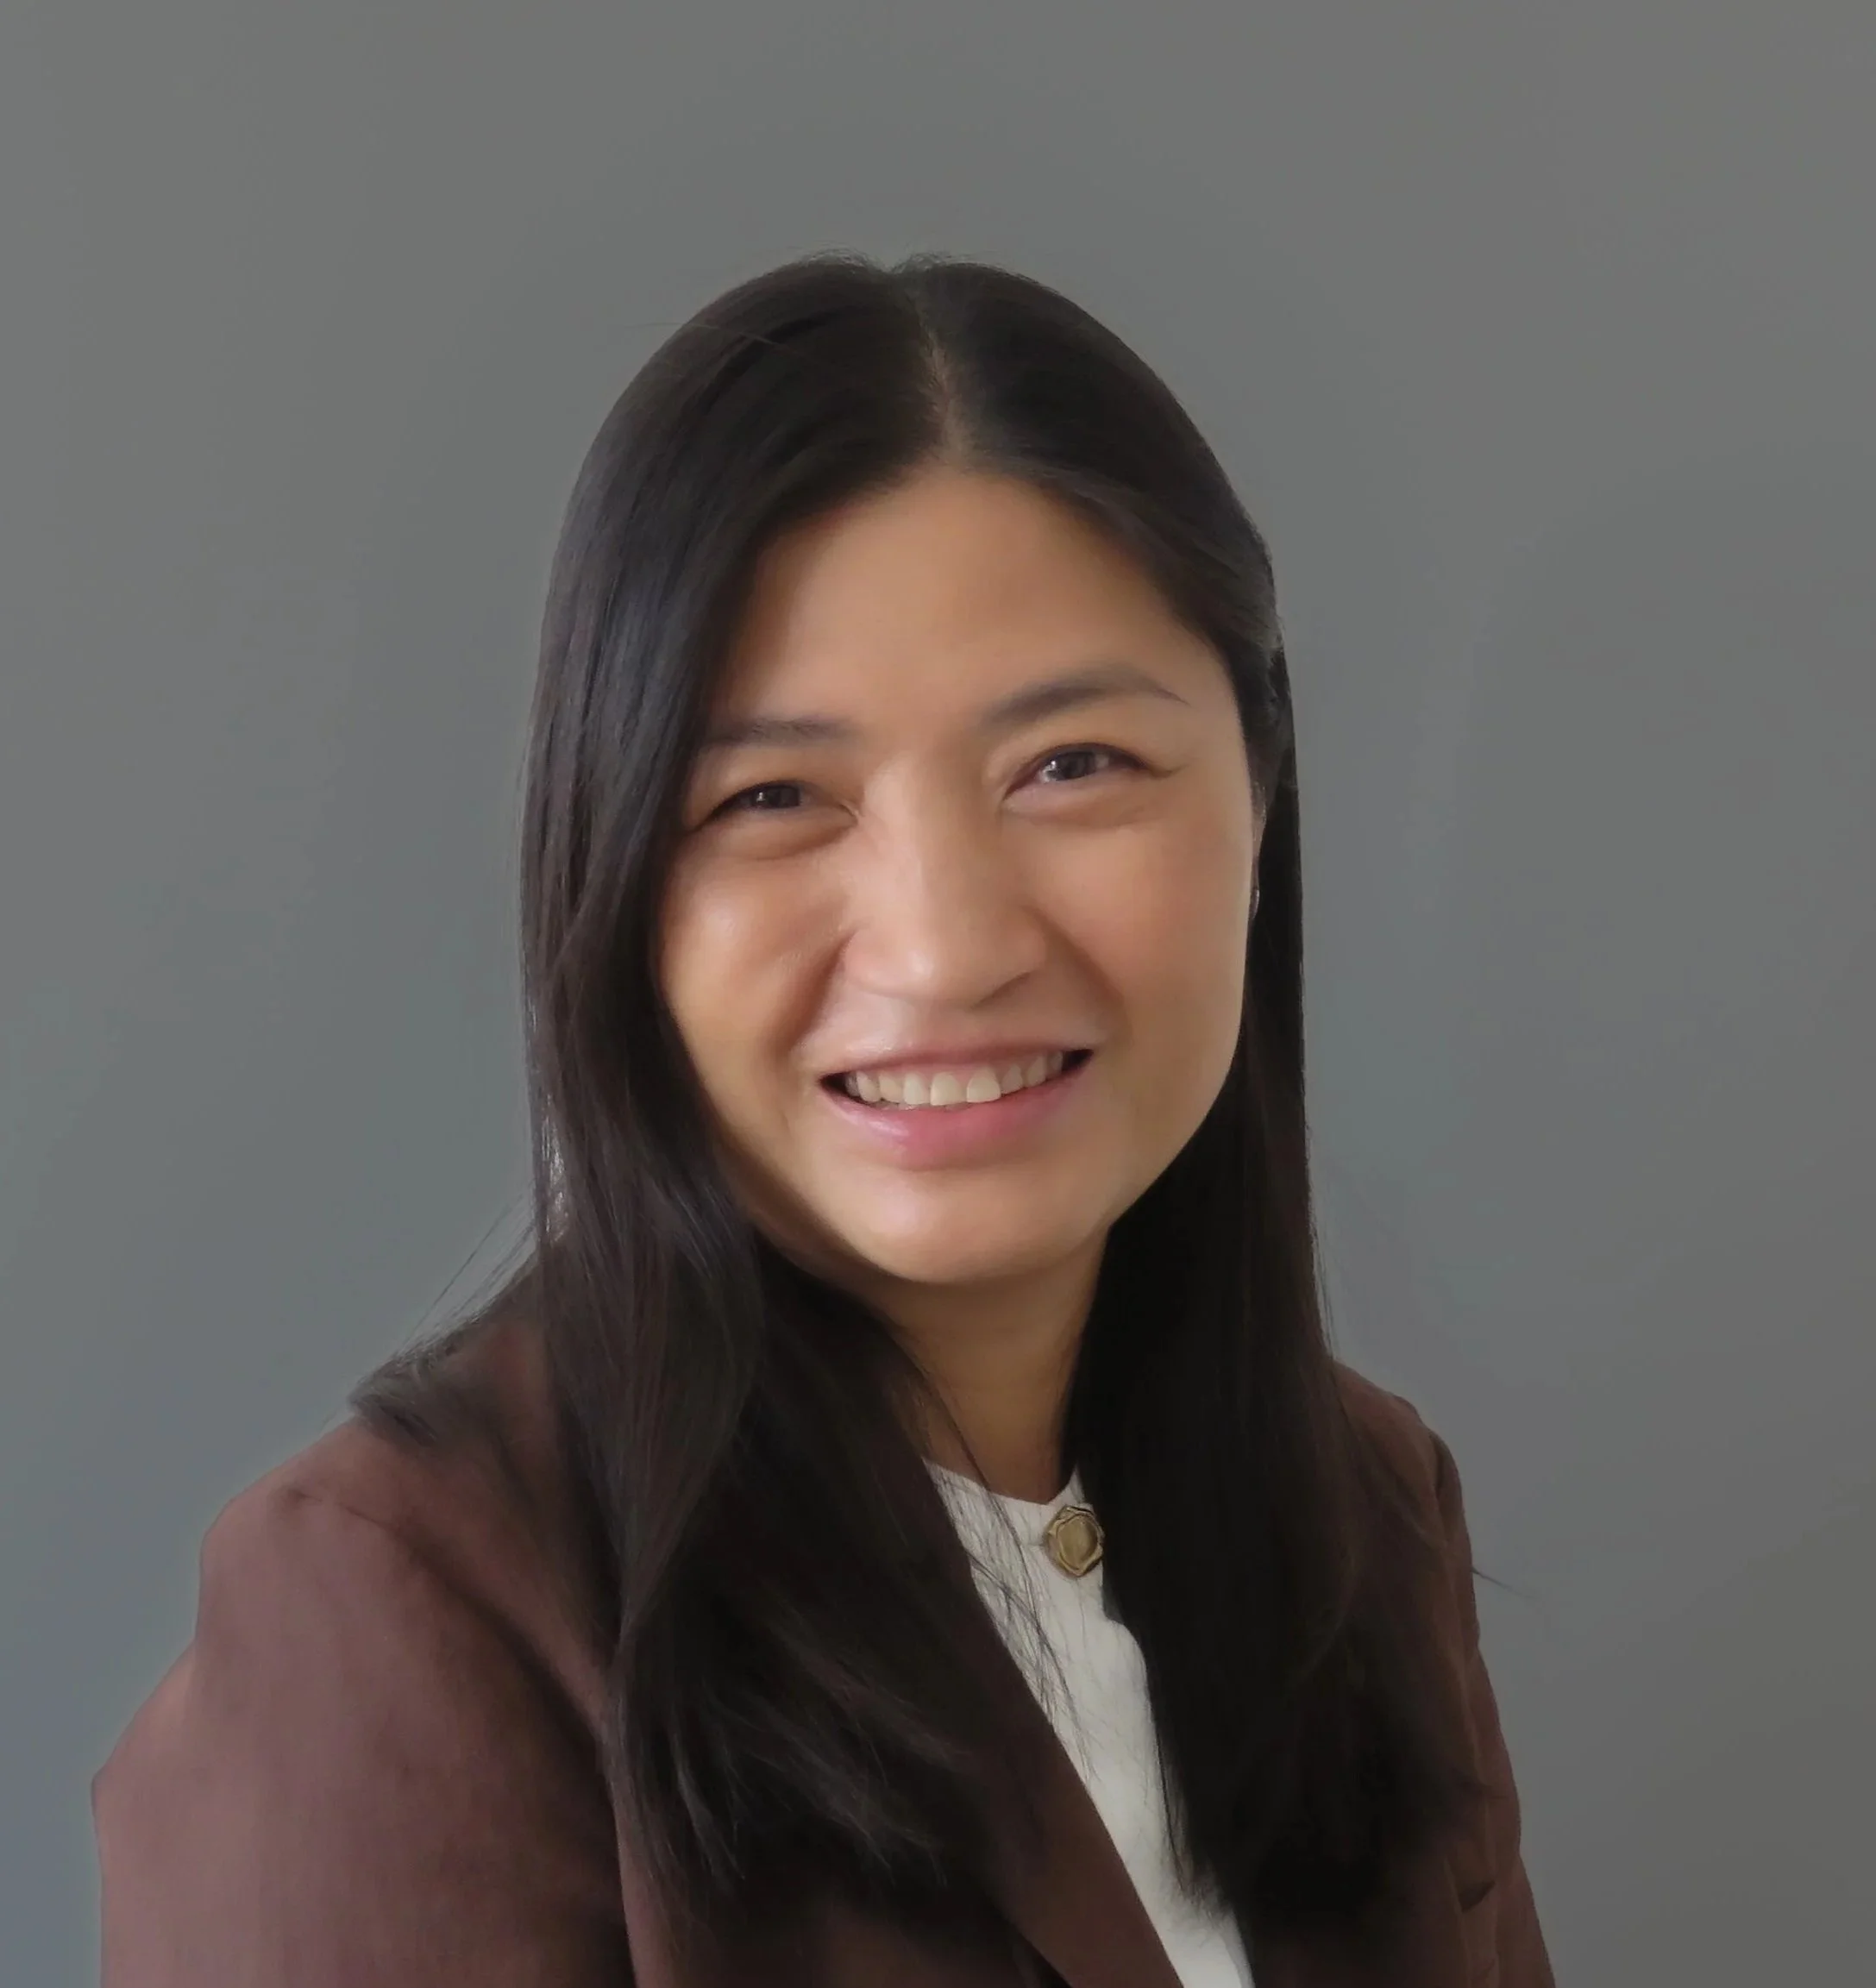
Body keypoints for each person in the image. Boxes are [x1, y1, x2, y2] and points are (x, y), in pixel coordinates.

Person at [92, 251, 1554, 1987]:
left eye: (1072, 765)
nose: (945, 946)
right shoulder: (408, 1614)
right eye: (773, 797)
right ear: (614, 883)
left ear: (1259, 800)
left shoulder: (1362, 1517)